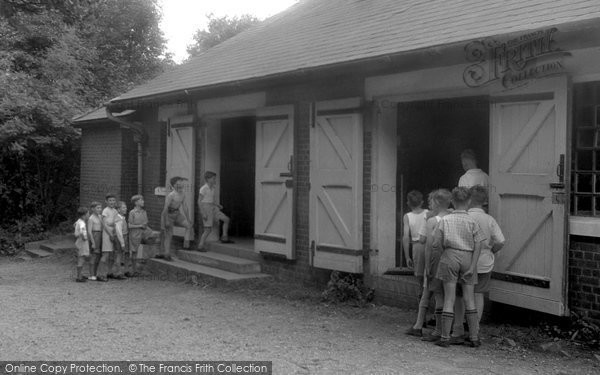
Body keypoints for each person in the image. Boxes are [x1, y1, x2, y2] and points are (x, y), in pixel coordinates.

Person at [433, 187, 487, 348]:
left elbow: (437, 243)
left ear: (452, 201)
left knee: (449, 297)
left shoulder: (445, 220)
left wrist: (446, 253)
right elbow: (479, 243)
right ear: (469, 201)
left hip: (450, 255)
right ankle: (474, 337)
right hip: (468, 256)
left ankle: (444, 337)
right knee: (469, 298)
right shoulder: (473, 221)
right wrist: (472, 265)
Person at [405, 190, 446, 337]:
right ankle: (446, 326)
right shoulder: (450, 216)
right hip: (448, 258)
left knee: (428, 291)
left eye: (430, 202)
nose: (428, 205)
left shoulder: (429, 220)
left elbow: (424, 241)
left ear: (435, 203)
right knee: (445, 293)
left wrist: (427, 265)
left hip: (433, 259)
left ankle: (420, 325)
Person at [197, 171, 233, 251]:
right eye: (213, 178)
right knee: (208, 229)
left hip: (213, 207)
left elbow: (210, 199)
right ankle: (200, 246)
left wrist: (217, 205)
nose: (214, 180)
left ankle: (224, 237)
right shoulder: (203, 188)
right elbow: (199, 201)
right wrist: (203, 213)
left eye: (215, 178)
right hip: (206, 208)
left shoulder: (213, 187)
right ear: (208, 179)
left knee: (226, 219)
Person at [159, 176, 193, 261]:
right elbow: (165, 209)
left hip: (177, 214)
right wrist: (166, 220)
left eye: (181, 183)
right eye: (178, 184)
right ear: (174, 186)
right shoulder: (171, 195)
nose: (181, 185)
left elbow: (185, 206)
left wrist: (188, 218)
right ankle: (166, 254)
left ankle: (186, 245)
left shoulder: (183, 193)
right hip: (168, 214)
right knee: (169, 235)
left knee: (188, 226)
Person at [128, 195, 157, 277]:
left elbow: (145, 222)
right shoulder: (132, 212)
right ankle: (133, 270)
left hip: (143, 232)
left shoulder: (144, 212)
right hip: (135, 233)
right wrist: (139, 226)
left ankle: (141, 266)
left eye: (143, 200)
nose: (143, 202)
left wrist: (147, 230)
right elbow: (129, 225)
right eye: (141, 200)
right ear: (136, 202)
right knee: (134, 252)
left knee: (154, 240)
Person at [402, 190, 428, 274]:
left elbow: (406, 237)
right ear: (422, 202)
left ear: (408, 203)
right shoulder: (428, 213)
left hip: (417, 246)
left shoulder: (407, 216)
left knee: (419, 274)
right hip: (429, 243)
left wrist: (407, 257)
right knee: (430, 272)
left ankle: (421, 287)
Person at [99, 193, 119, 282]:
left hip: (113, 233)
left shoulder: (115, 211)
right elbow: (104, 224)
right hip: (107, 234)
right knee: (106, 255)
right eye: (110, 200)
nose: (112, 202)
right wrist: (110, 234)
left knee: (112, 255)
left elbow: (116, 222)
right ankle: (100, 274)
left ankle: (109, 272)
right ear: (106, 201)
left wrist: (114, 232)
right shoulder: (105, 211)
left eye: (113, 200)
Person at [111, 201, 128, 280]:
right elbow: (119, 232)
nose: (126, 209)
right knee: (119, 255)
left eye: (125, 207)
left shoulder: (122, 218)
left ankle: (115, 271)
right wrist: (122, 243)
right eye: (123, 208)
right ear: (118, 210)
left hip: (121, 238)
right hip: (119, 239)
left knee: (119, 254)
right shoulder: (118, 219)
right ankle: (117, 273)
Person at [87, 201, 103, 281]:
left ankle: (95, 273)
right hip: (95, 236)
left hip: (100, 236)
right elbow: (89, 232)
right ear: (92, 209)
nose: (100, 209)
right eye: (98, 208)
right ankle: (91, 274)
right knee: (93, 256)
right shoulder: (91, 218)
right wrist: (93, 242)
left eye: (100, 208)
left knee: (98, 256)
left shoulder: (100, 217)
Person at [74, 207, 90, 283]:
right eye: (88, 214)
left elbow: (75, 226)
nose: (89, 215)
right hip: (82, 243)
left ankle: (80, 274)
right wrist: (84, 237)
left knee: (81, 258)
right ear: (84, 215)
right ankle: (79, 276)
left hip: (79, 242)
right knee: (81, 259)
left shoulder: (78, 221)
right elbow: (82, 231)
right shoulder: (82, 223)